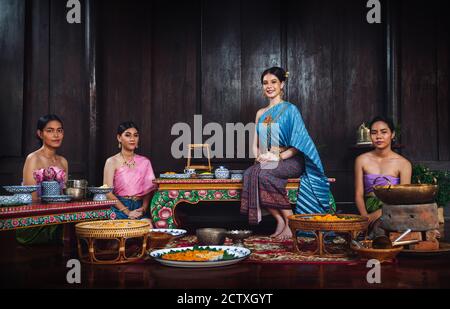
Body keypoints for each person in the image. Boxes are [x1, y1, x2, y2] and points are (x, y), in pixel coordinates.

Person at [240, 67, 333, 240]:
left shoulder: (290, 110)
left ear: (282, 84)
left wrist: (279, 157)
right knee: (251, 173)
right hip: (268, 159)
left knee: (265, 175)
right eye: (265, 83)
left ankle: (291, 222)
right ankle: (280, 221)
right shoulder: (260, 113)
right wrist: (259, 156)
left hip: (290, 159)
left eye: (273, 82)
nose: (269, 86)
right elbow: (255, 143)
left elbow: (300, 144)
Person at [354, 116, 412, 236]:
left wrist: (377, 214)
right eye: (374, 133)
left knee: (381, 227)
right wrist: (365, 218)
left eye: (384, 132)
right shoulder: (361, 160)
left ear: (392, 134)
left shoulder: (404, 164)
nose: (378, 136)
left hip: (394, 211)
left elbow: (403, 198)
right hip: (365, 212)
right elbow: (358, 194)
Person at [17, 114, 68, 245]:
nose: (56, 135)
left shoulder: (63, 161)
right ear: (40, 134)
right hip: (36, 222)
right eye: (50, 131)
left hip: (58, 218)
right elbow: (31, 198)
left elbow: (64, 194)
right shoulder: (33, 158)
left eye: (59, 130)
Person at [103, 121, 156, 226]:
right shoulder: (112, 161)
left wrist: (143, 209)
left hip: (139, 206)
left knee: (147, 227)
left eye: (135, 135)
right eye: (128, 135)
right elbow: (107, 193)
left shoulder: (145, 162)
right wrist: (127, 212)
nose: (132, 139)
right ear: (119, 138)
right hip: (119, 207)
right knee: (121, 230)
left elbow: (149, 190)